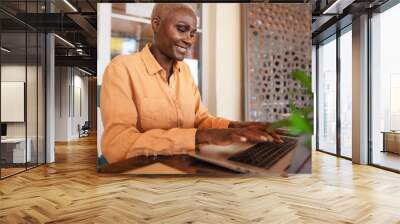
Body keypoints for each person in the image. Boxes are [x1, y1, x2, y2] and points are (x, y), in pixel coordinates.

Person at [100, 3, 282, 164]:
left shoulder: (185, 72)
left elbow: (201, 120)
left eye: (193, 33)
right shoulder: (121, 69)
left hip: (188, 165)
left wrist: (237, 127)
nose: (189, 39)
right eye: (181, 29)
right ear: (156, 24)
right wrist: (203, 136)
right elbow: (117, 144)